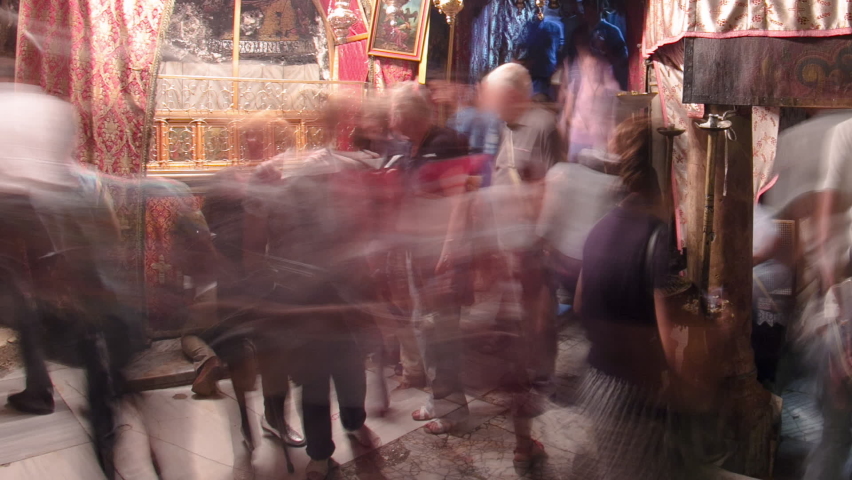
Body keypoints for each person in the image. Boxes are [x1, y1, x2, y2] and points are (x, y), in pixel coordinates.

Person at [572, 115, 721, 479]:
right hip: (634, 394)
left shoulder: (601, 226)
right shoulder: (655, 237)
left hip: (596, 383)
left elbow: (579, 303)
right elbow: (672, 343)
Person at [479, 62, 562, 467]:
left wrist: (538, 241)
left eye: (495, 97)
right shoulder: (505, 127)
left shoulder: (542, 125)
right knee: (516, 327)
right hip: (507, 248)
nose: (489, 105)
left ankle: (537, 385)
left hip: (531, 249)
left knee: (536, 324)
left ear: (512, 95)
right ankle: (521, 397)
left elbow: (549, 185)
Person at [387, 82, 474, 434]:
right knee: (428, 329)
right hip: (418, 253)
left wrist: (450, 247)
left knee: (441, 333)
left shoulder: (444, 143)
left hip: (439, 256)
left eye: (395, 110)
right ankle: (439, 400)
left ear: (410, 113)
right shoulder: (412, 147)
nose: (390, 117)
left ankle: (452, 411)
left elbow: (460, 198)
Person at [515, 6, 565, 101]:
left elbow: (557, 49)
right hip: (541, 72)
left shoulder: (553, 27)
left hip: (545, 72)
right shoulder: (534, 26)